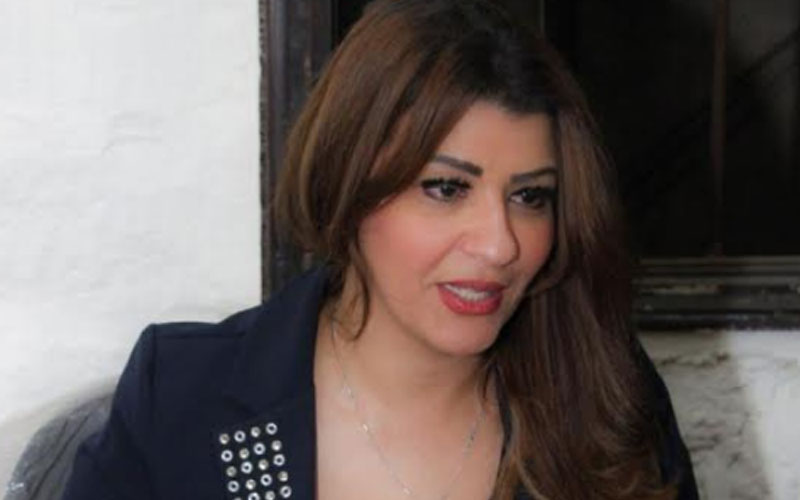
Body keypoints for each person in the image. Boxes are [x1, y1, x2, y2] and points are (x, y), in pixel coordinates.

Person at [61, 0, 698, 499]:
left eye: (530, 197)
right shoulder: (182, 397)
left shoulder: (605, 398)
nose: (499, 244)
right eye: (446, 188)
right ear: (348, 184)